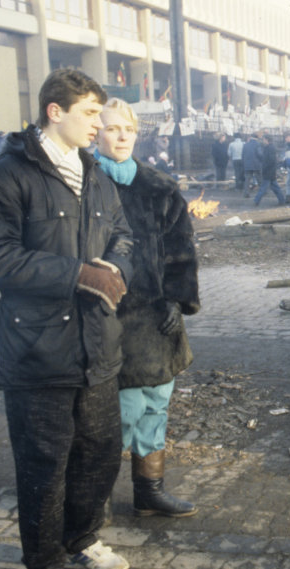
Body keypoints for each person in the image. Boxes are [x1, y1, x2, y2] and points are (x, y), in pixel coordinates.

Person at [0, 68, 133, 569]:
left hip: (97, 345)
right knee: (44, 465)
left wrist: (116, 267)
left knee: (99, 455)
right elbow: (1, 255)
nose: (99, 124)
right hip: (36, 350)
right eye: (90, 113)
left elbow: (123, 235)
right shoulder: (10, 173)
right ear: (56, 112)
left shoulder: (92, 171)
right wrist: (78, 273)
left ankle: (82, 540)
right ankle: (44, 563)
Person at [93, 98, 201, 520]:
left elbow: (181, 250)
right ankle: (93, 497)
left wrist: (177, 299)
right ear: (95, 133)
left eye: (128, 129)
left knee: (156, 403)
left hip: (157, 320)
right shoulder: (84, 184)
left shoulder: (159, 186)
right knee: (119, 410)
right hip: (109, 318)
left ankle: (149, 490)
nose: (121, 136)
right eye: (111, 128)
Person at [254, 134, 284, 206]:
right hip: (271, 171)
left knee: (264, 187)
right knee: (275, 187)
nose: (263, 140)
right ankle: (282, 200)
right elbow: (266, 159)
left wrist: (265, 168)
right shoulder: (269, 147)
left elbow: (270, 160)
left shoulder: (269, 148)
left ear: (267, 140)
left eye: (264, 139)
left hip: (268, 171)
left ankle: (256, 200)